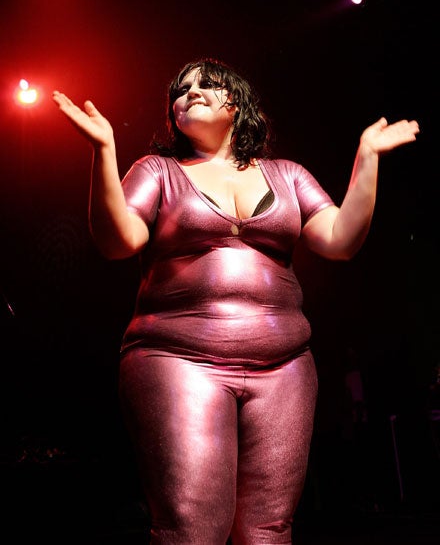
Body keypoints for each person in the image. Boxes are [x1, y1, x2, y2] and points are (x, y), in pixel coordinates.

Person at [52, 58, 419, 543]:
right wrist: (103, 150)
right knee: (192, 527)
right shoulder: (158, 170)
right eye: (181, 91)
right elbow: (118, 240)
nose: (191, 93)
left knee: (268, 529)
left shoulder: (287, 175)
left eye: (207, 84)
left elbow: (340, 240)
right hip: (178, 358)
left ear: (238, 104)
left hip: (285, 367)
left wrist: (367, 156)